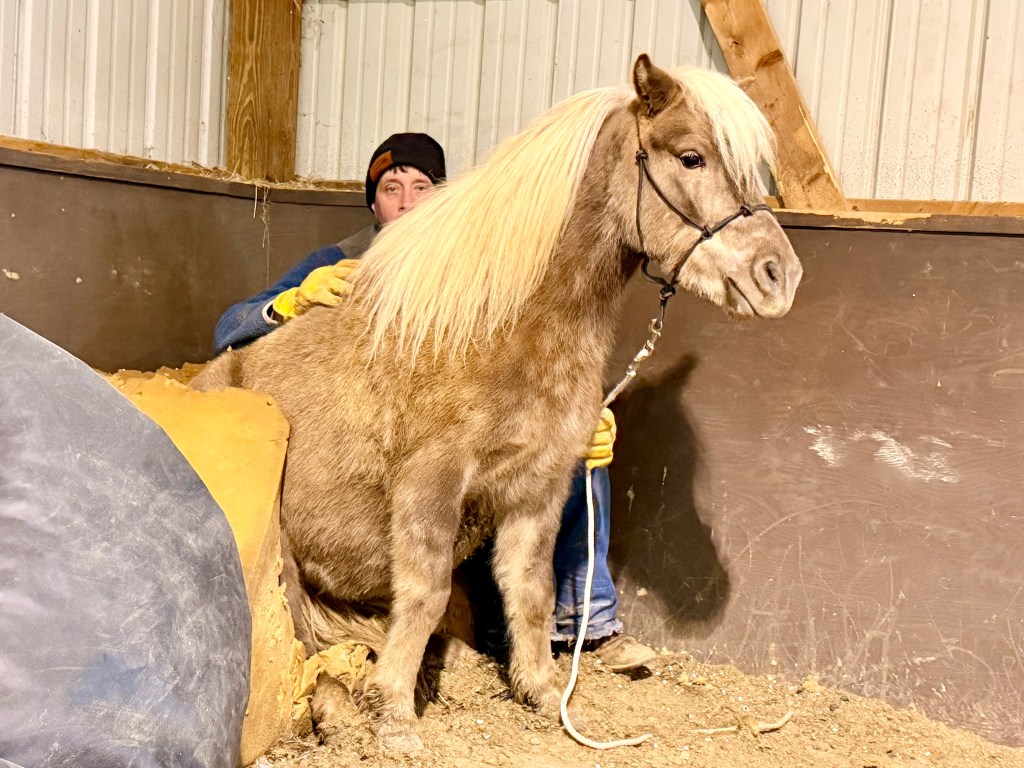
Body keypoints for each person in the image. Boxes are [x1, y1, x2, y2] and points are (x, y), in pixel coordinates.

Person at [212, 132, 656, 672]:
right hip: (366, 434)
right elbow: (226, 331)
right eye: (390, 188)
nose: (405, 202)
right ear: (373, 202)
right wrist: (289, 301)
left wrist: (572, 416)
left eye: (421, 187)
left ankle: (587, 619)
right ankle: (481, 623)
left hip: (471, 431)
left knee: (578, 456)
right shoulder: (341, 258)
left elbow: (532, 348)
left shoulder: (475, 266)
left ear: (442, 196)